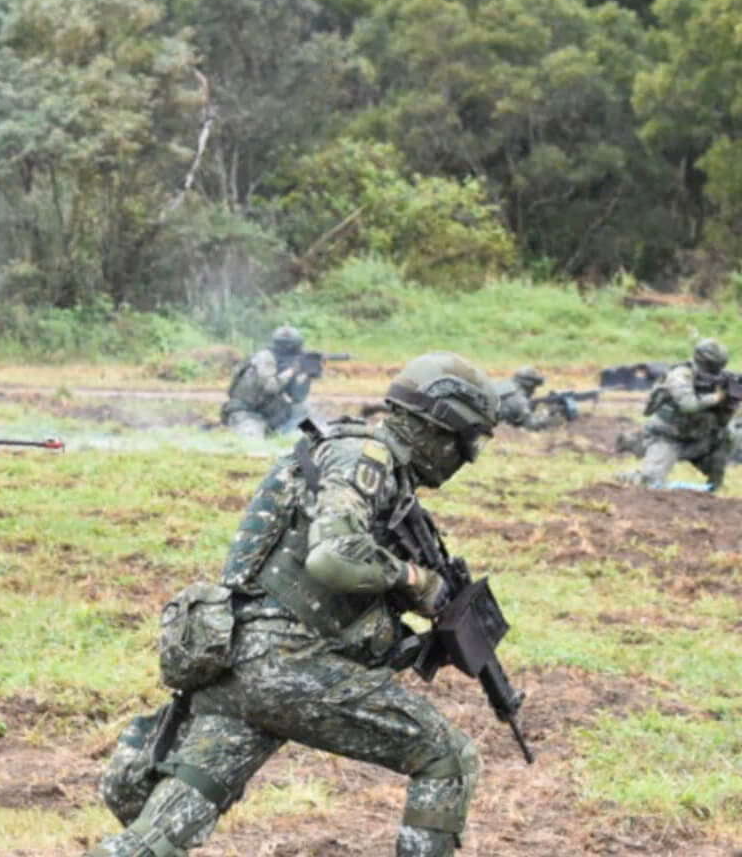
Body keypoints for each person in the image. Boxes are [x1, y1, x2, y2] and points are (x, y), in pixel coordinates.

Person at [92, 352, 497, 857]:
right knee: (448, 760)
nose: (468, 456)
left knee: (156, 838)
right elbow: (333, 558)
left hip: (236, 665)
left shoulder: (353, 458)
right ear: (441, 427)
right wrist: (417, 581)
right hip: (286, 664)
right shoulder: (366, 459)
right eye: (469, 441)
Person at [617, 338, 735, 491]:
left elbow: (723, 420)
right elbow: (688, 404)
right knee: (649, 482)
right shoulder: (680, 374)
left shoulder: (720, 379)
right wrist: (715, 398)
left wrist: (730, 402)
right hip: (667, 436)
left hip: (697, 437)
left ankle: (714, 486)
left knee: (727, 435)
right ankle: (627, 470)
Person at [221, 326, 315, 438]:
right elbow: (270, 387)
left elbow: (297, 397)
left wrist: (304, 376)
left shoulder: (286, 362)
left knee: (303, 413)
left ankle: (317, 439)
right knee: (252, 443)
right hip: (247, 412)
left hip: (271, 413)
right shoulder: (264, 358)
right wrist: (292, 370)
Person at [491, 366, 565, 432]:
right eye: (534, 387)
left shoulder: (503, 385)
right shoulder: (519, 400)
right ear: (529, 386)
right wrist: (550, 418)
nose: (534, 391)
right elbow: (531, 426)